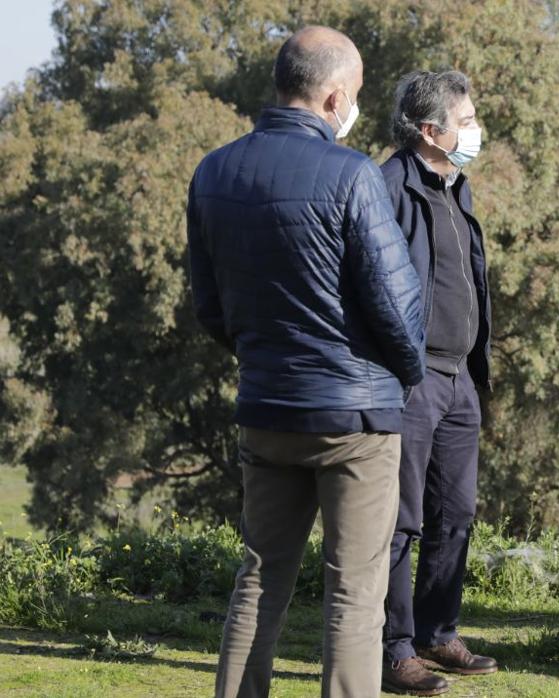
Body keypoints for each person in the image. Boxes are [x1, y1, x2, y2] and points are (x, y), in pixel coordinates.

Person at [187, 26, 425, 698]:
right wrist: (403, 378)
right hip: (354, 416)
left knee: (259, 575)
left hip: (266, 405)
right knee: (354, 589)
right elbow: (397, 307)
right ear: (332, 96)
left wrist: (264, 357)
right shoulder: (352, 174)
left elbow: (209, 305)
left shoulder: (214, 170)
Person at [377, 70, 496, 696]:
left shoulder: (459, 185)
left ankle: (437, 631)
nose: (476, 130)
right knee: (401, 519)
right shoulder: (388, 186)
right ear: (431, 131)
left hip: (459, 379)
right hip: (412, 380)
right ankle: (394, 648)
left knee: (456, 512)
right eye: (467, 120)